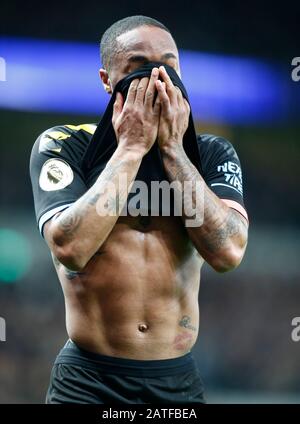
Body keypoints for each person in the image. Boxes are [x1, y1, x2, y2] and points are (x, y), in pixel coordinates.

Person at [29, 15, 248, 404]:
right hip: (88, 381)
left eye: (168, 64)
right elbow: (71, 249)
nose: (158, 77)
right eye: (139, 66)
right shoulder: (65, 145)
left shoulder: (208, 152)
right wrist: (131, 147)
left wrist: (172, 149)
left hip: (176, 381)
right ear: (106, 79)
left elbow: (228, 252)